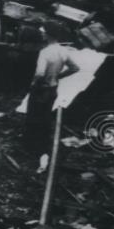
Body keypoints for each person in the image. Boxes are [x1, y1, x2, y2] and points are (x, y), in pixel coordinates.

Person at [26, 27, 80, 173]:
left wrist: (33, 84)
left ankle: (31, 144)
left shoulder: (45, 52)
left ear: (48, 35)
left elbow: (39, 73)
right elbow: (75, 68)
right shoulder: (63, 51)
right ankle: (43, 142)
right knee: (45, 115)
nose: (42, 34)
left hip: (41, 88)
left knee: (33, 115)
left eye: (44, 32)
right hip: (53, 88)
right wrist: (58, 77)